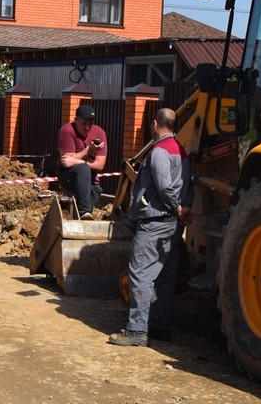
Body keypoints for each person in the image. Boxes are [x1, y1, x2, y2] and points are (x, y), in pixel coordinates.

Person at [108, 108, 193, 347]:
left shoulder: (159, 152)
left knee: (141, 275)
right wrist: (183, 206)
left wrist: (175, 206)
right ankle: (160, 328)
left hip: (155, 221)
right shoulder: (182, 151)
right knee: (165, 277)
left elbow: (164, 186)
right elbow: (189, 184)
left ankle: (136, 330)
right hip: (172, 226)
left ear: (155, 124)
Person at [56, 104, 108, 220]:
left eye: (90, 124)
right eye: (84, 123)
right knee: (83, 168)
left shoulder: (100, 133)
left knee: (95, 188)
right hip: (68, 177)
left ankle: (84, 217)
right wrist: (88, 151)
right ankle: (84, 212)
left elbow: (100, 165)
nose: (87, 127)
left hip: (91, 181)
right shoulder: (67, 131)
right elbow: (66, 163)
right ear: (76, 120)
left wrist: (77, 161)